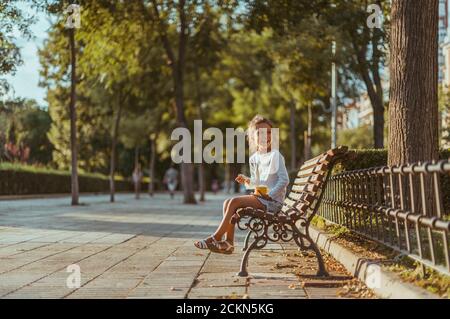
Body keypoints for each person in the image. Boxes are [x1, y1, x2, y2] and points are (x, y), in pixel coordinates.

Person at [194, 115, 289, 254]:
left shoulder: (276, 155)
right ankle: (229, 243)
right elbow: (257, 183)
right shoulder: (254, 158)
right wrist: (247, 181)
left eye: (269, 132)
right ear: (253, 137)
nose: (266, 136)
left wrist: (270, 195)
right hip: (261, 198)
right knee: (227, 202)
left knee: (233, 202)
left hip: (273, 202)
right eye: (260, 132)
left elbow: (284, 180)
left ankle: (216, 237)